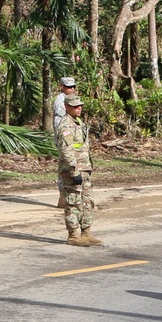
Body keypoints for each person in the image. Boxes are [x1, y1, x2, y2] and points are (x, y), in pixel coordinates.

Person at [55, 94, 101, 247]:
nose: (79, 108)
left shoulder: (78, 123)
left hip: (85, 168)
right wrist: (74, 171)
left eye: (80, 105)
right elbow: (66, 150)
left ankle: (86, 232)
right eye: (75, 106)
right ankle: (74, 234)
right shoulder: (66, 126)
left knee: (87, 201)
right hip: (73, 170)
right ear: (66, 107)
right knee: (73, 202)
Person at [53, 77, 77, 207]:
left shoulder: (71, 99)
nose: (71, 89)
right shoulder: (60, 101)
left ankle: (68, 196)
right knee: (65, 166)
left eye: (73, 86)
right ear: (62, 87)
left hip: (71, 140)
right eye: (69, 87)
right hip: (64, 141)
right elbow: (61, 124)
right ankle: (63, 196)